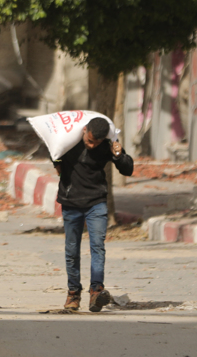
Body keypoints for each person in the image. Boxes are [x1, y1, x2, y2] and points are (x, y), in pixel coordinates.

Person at [53, 118, 134, 312]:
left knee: (98, 247)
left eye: (95, 143)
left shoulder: (107, 146)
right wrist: (56, 162)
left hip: (96, 203)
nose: (91, 145)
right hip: (71, 203)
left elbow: (128, 169)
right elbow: (53, 149)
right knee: (72, 250)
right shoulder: (68, 143)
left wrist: (118, 155)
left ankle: (96, 291)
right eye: (89, 140)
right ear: (84, 130)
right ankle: (73, 293)